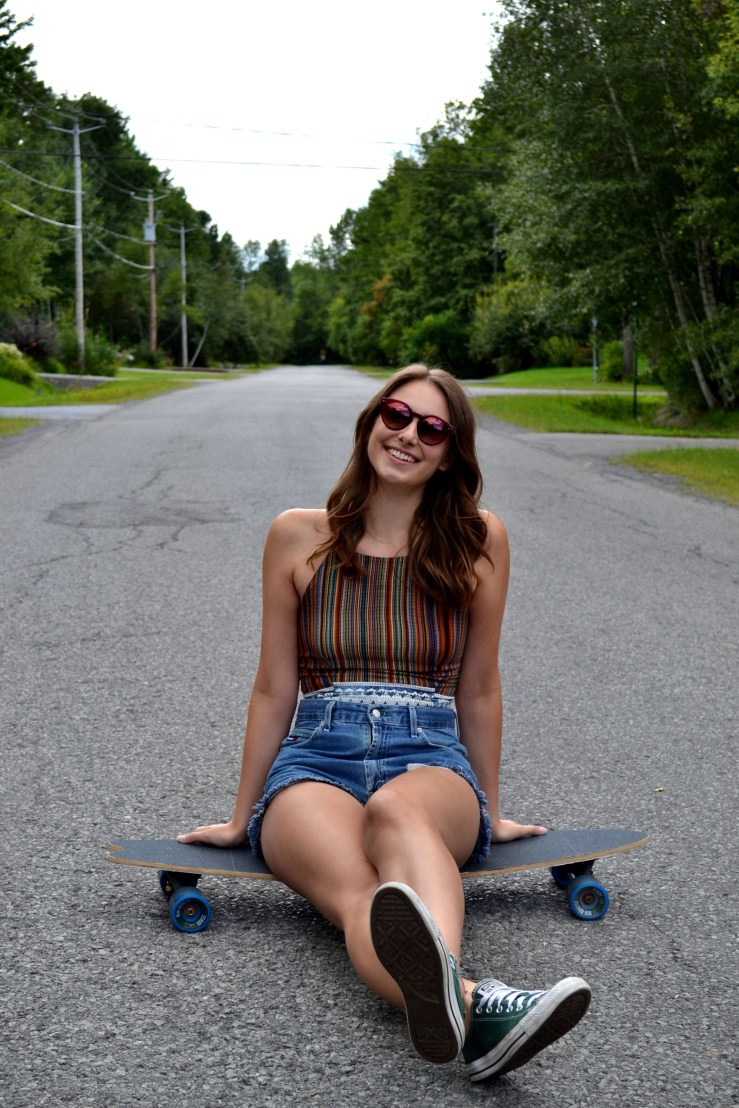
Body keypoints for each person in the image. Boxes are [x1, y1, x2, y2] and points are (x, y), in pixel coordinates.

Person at [179, 364, 591, 1082]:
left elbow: (480, 687)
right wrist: (241, 816)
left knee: (399, 811)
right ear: (371, 420)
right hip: (315, 760)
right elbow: (275, 687)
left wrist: (490, 811)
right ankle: (478, 1010)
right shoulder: (295, 535)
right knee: (359, 898)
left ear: (450, 453)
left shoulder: (479, 539)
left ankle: (460, 1003)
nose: (406, 436)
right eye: (395, 416)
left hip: (429, 756)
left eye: (430, 429)